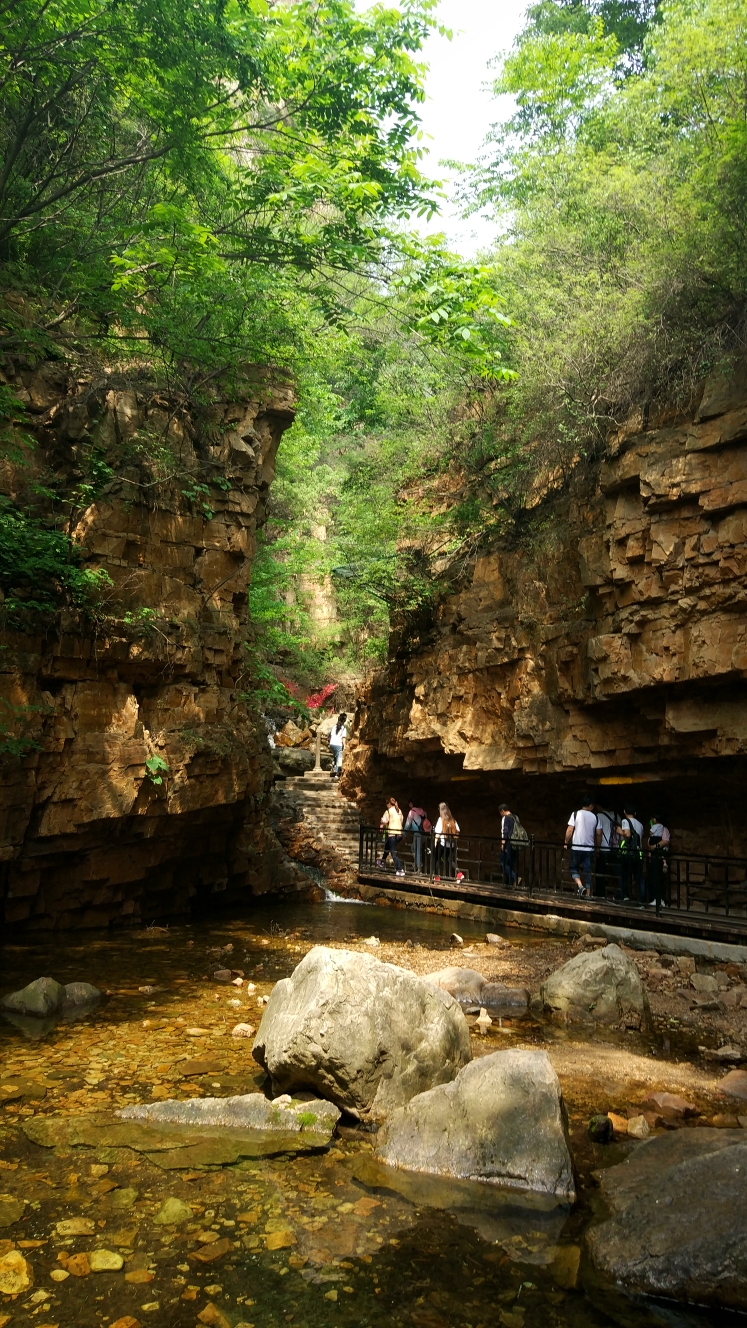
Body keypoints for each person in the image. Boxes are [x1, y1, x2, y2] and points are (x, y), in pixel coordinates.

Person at [564, 800, 601, 897]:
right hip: (589, 849)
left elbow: (570, 829)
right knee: (588, 871)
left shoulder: (575, 814)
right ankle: (588, 894)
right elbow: (599, 833)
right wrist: (598, 848)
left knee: (573, 868)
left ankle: (580, 886)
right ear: (591, 805)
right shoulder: (595, 817)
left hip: (577, 847)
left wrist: (566, 842)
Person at [619, 804, 645, 903]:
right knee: (639, 878)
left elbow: (627, 834)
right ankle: (641, 900)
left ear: (624, 812)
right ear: (635, 813)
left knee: (625, 876)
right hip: (638, 854)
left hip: (628, 853)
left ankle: (624, 896)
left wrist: (620, 831)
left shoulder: (625, 821)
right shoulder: (640, 824)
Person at [647, 815, 671, 907]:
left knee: (659, 877)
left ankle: (660, 899)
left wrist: (655, 846)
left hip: (658, 856)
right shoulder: (655, 829)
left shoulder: (664, 829)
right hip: (653, 856)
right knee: (653, 877)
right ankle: (655, 898)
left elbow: (665, 841)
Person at [377, 797, 405, 877]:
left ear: (389, 804)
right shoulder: (399, 811)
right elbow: (402, 820)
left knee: (393, 853)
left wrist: (382, 823)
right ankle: (382, 861)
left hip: (392, 834)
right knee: (387, 845)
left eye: (387, 804)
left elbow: (384, 820)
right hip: (399, 834)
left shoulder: (388, 811)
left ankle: (400, 869)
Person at [433, 802, 459, 880]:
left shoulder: (441, 819)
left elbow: (437, 833)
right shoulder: (452, 819)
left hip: (442, 844)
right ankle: (460, 874)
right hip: (451, 844)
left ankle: (436, 877)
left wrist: (434, 843)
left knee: (437, 859)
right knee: (450, 860)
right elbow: (457, 830)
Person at [405, 802, 429, 873]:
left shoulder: (412, 812)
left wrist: (404, 832)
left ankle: (419, 867)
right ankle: (418, 864)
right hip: (424, 833)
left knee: (416, 849)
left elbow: (408, 823)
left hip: (417, 833)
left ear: (411, 804)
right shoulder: (423, 811)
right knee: (415, 848)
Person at [499, 803, 518, 887]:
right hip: (516, 843)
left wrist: (503, 843)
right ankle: (508, 882)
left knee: (502, 862)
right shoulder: (515, 817)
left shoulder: (505, 818)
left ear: (502, 811)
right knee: (510, 863)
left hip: (508, 843)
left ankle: (514, 877)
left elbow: (505, 832)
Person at [328, 712, 347, 779]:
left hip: (331, 745)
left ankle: (333, 764)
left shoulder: (334, 727)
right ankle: (337, 774)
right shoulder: (343, 728)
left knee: (336, 757)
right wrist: (344, 746)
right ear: (344, 721)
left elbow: (330, 735)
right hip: (338, 745)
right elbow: (343, 738)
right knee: (339, 760)